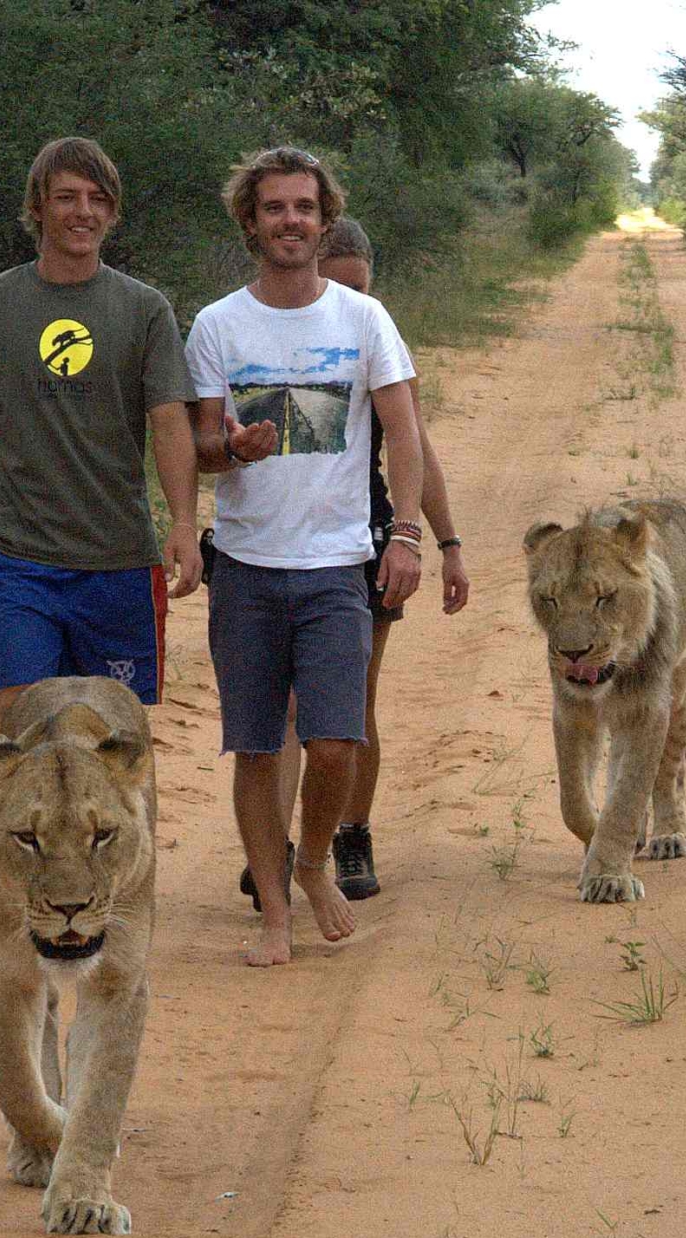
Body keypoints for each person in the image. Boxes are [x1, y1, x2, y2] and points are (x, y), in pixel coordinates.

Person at [189, 147, 424, 967]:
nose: (290, 220)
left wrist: (408, 537)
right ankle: (275, 916)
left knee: (334, 743)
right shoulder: (217, 324)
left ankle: (316, 859)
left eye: (304, 207)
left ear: (325, 220)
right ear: (249, 221)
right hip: (247, 566)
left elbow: (403, 432)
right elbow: (201, 445)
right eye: (274, 208)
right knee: (256, 748)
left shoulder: (364, 321)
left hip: (336, 566)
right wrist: (231, 448)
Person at [0, 136, 199, 732]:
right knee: (25, 728)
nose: (83, 212)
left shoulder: (145, 310)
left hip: (119, 560)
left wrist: (183, 522)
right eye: (66, 197)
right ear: (37, 207)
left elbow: (168, 423)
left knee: (113, 742)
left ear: (112, 212)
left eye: (97, 199)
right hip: (19, 560)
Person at [237, 215, 469, 908]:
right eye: (334, 285)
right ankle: (272, 846)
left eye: (358, 286)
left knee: (348, 701)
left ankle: (351, 832)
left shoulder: (373, 327)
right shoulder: (259, 327)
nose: (343, 299)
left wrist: (444, 540)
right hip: (275, 534)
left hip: (361, 529)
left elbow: (414, 442)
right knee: (279, 706)